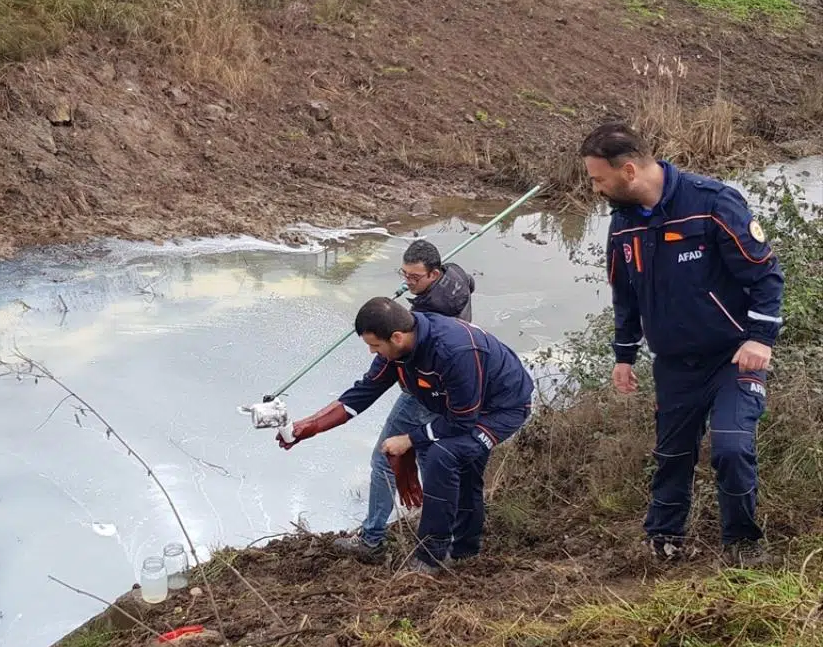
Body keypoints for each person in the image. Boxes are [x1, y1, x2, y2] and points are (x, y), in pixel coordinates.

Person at [579, 121, 784, 567]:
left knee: (731, 447)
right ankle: (663, 540)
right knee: (672, 455)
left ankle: (743, 545)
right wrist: (624, 356)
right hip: (673, 364)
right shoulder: (622, 225)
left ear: (628, 171)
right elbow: (625, 295)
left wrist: (761, 338)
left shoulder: (712, 203)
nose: (595, 189)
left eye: (598, 179)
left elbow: (766, 275)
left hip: (733, 356)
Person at [278, 297, 534, 574]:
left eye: (375, 346)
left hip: (500, 408)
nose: (372, 352)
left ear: (397, 337)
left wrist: (411, 440)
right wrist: (309, 427)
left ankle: (432, 555)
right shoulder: (397, 351)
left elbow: (462, 420)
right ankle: (465, 550)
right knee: (459, 468)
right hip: (450, 402)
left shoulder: (453, 351)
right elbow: (363, 392)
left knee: (443, 456)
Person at [322, 239, 478, 563]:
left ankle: (379, 540)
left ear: (434, 274)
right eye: (404, 274)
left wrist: (390, 317)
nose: (407, 281)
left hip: (427, 394)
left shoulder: (429, 317)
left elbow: (386, 368)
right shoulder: (457, 276)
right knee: (424, 460)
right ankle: (435, 532)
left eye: (414, 277)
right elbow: (468, 282)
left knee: (392, 461)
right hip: (439, 387)